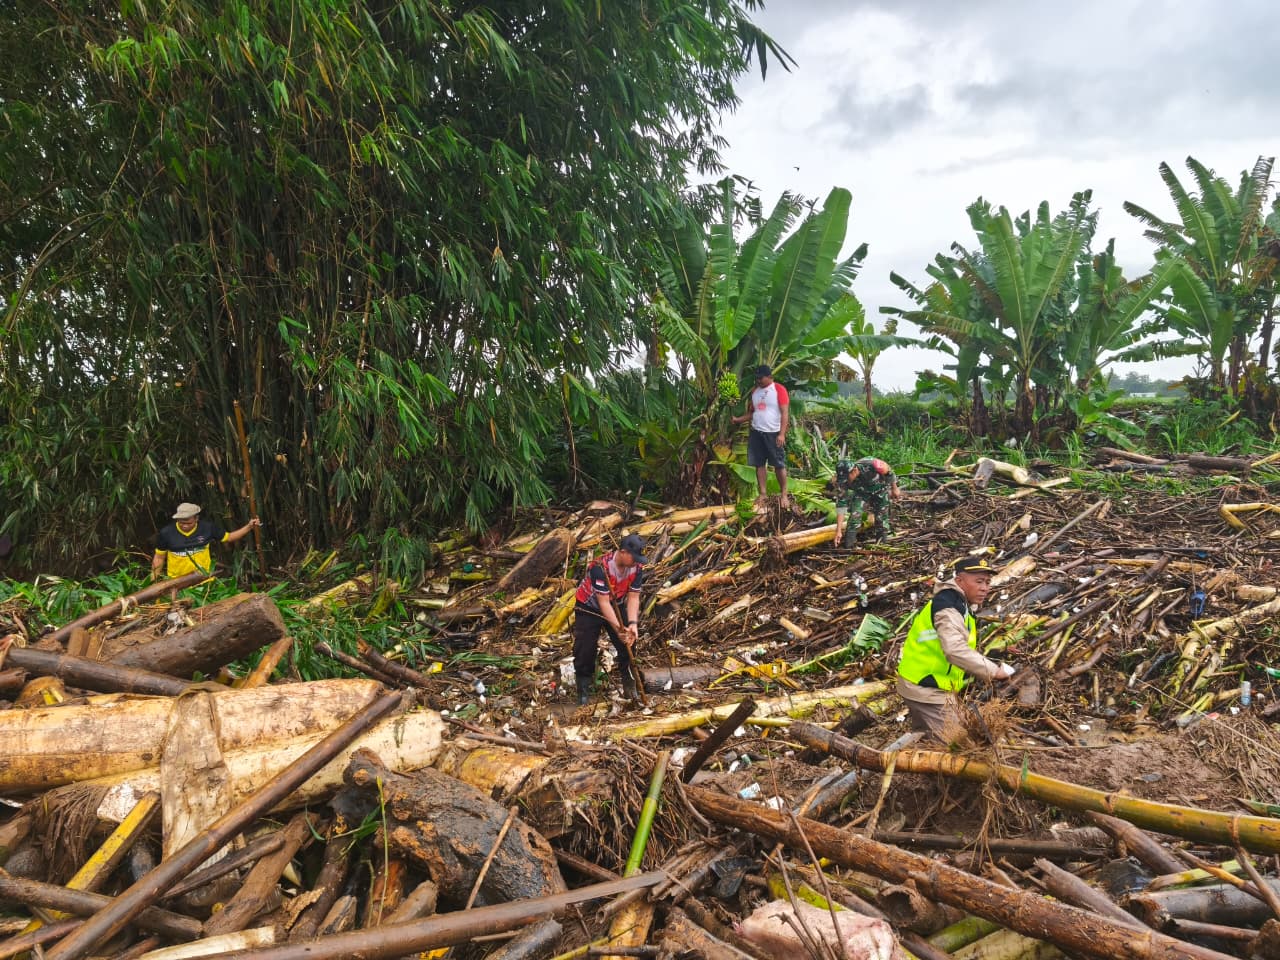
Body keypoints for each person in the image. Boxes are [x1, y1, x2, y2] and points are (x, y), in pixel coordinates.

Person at [895, 556, 1016, 740]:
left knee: (925, 739)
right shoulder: (948, 606)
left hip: (927, 685)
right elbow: (954, 650)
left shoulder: (960, 604)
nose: (985, 588)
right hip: (926, 688)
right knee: (960, 744)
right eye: (979, 581)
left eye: (988, 582)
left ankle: (900, 761)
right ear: (959, 580)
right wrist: (993, 671)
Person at [571, 533, 647, 706]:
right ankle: (583, 690)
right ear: (622, 552)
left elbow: (634, 597)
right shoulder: (600, 567)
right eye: (634, 557)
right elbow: (603, 603)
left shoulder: (637, 568)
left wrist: (632, 625)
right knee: (585, 648)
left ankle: (630, 685)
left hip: (617, 603)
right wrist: (618, 628)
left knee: (628, 643)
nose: (636, 562)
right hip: (589, 607)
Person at [152, 502, 261, 581]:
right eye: (181, 522)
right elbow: (159, 557)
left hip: (204, 580)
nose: (184, 526)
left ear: (196, 518)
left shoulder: (207, 528)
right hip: (177, 583)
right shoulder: (166, 533)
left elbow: (229, 537)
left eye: (188, 523)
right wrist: (153, 581)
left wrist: (249, 526)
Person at [732, 364, 789, 505]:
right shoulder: (755, 392)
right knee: (759, 464)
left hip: (773, 433)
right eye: (757, 378)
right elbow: (752, 413)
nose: (758, 381)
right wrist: (737, 420)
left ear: (770, 377)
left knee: (779, 464)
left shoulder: (779, 389)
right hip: (757, 432)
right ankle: (763, 494)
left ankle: (784, 495)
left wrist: (782, 434)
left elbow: (785, 413)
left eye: (761, 378)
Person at [832, 457, 902, 547]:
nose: (846, 481)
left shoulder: (873, 464)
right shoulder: (842, 481)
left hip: (880, 490)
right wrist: (838, 531)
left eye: (847, 478)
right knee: (854, 517)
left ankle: (882, 545)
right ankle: (849, 546)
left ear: (854, 471)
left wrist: (894, 488)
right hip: (861, 494)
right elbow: (841, 505)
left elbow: (889, 472)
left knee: (881, 519)